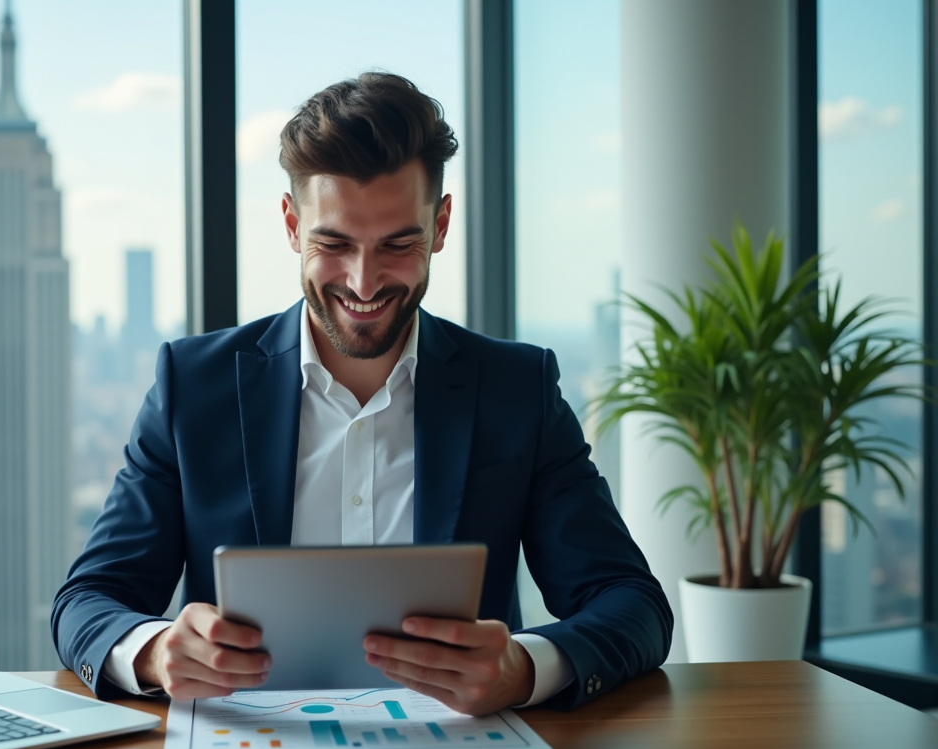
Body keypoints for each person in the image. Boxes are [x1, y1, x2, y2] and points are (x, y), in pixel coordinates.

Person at [52, 72, 672, 715]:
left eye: (398, 244)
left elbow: (632, 603)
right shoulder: (194, 385)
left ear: (441, 224)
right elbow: (88, 600)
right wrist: (154, 651)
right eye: (334, 243)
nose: (364, 281)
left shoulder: (517, 390)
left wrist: (527, 666)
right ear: (292, 226)